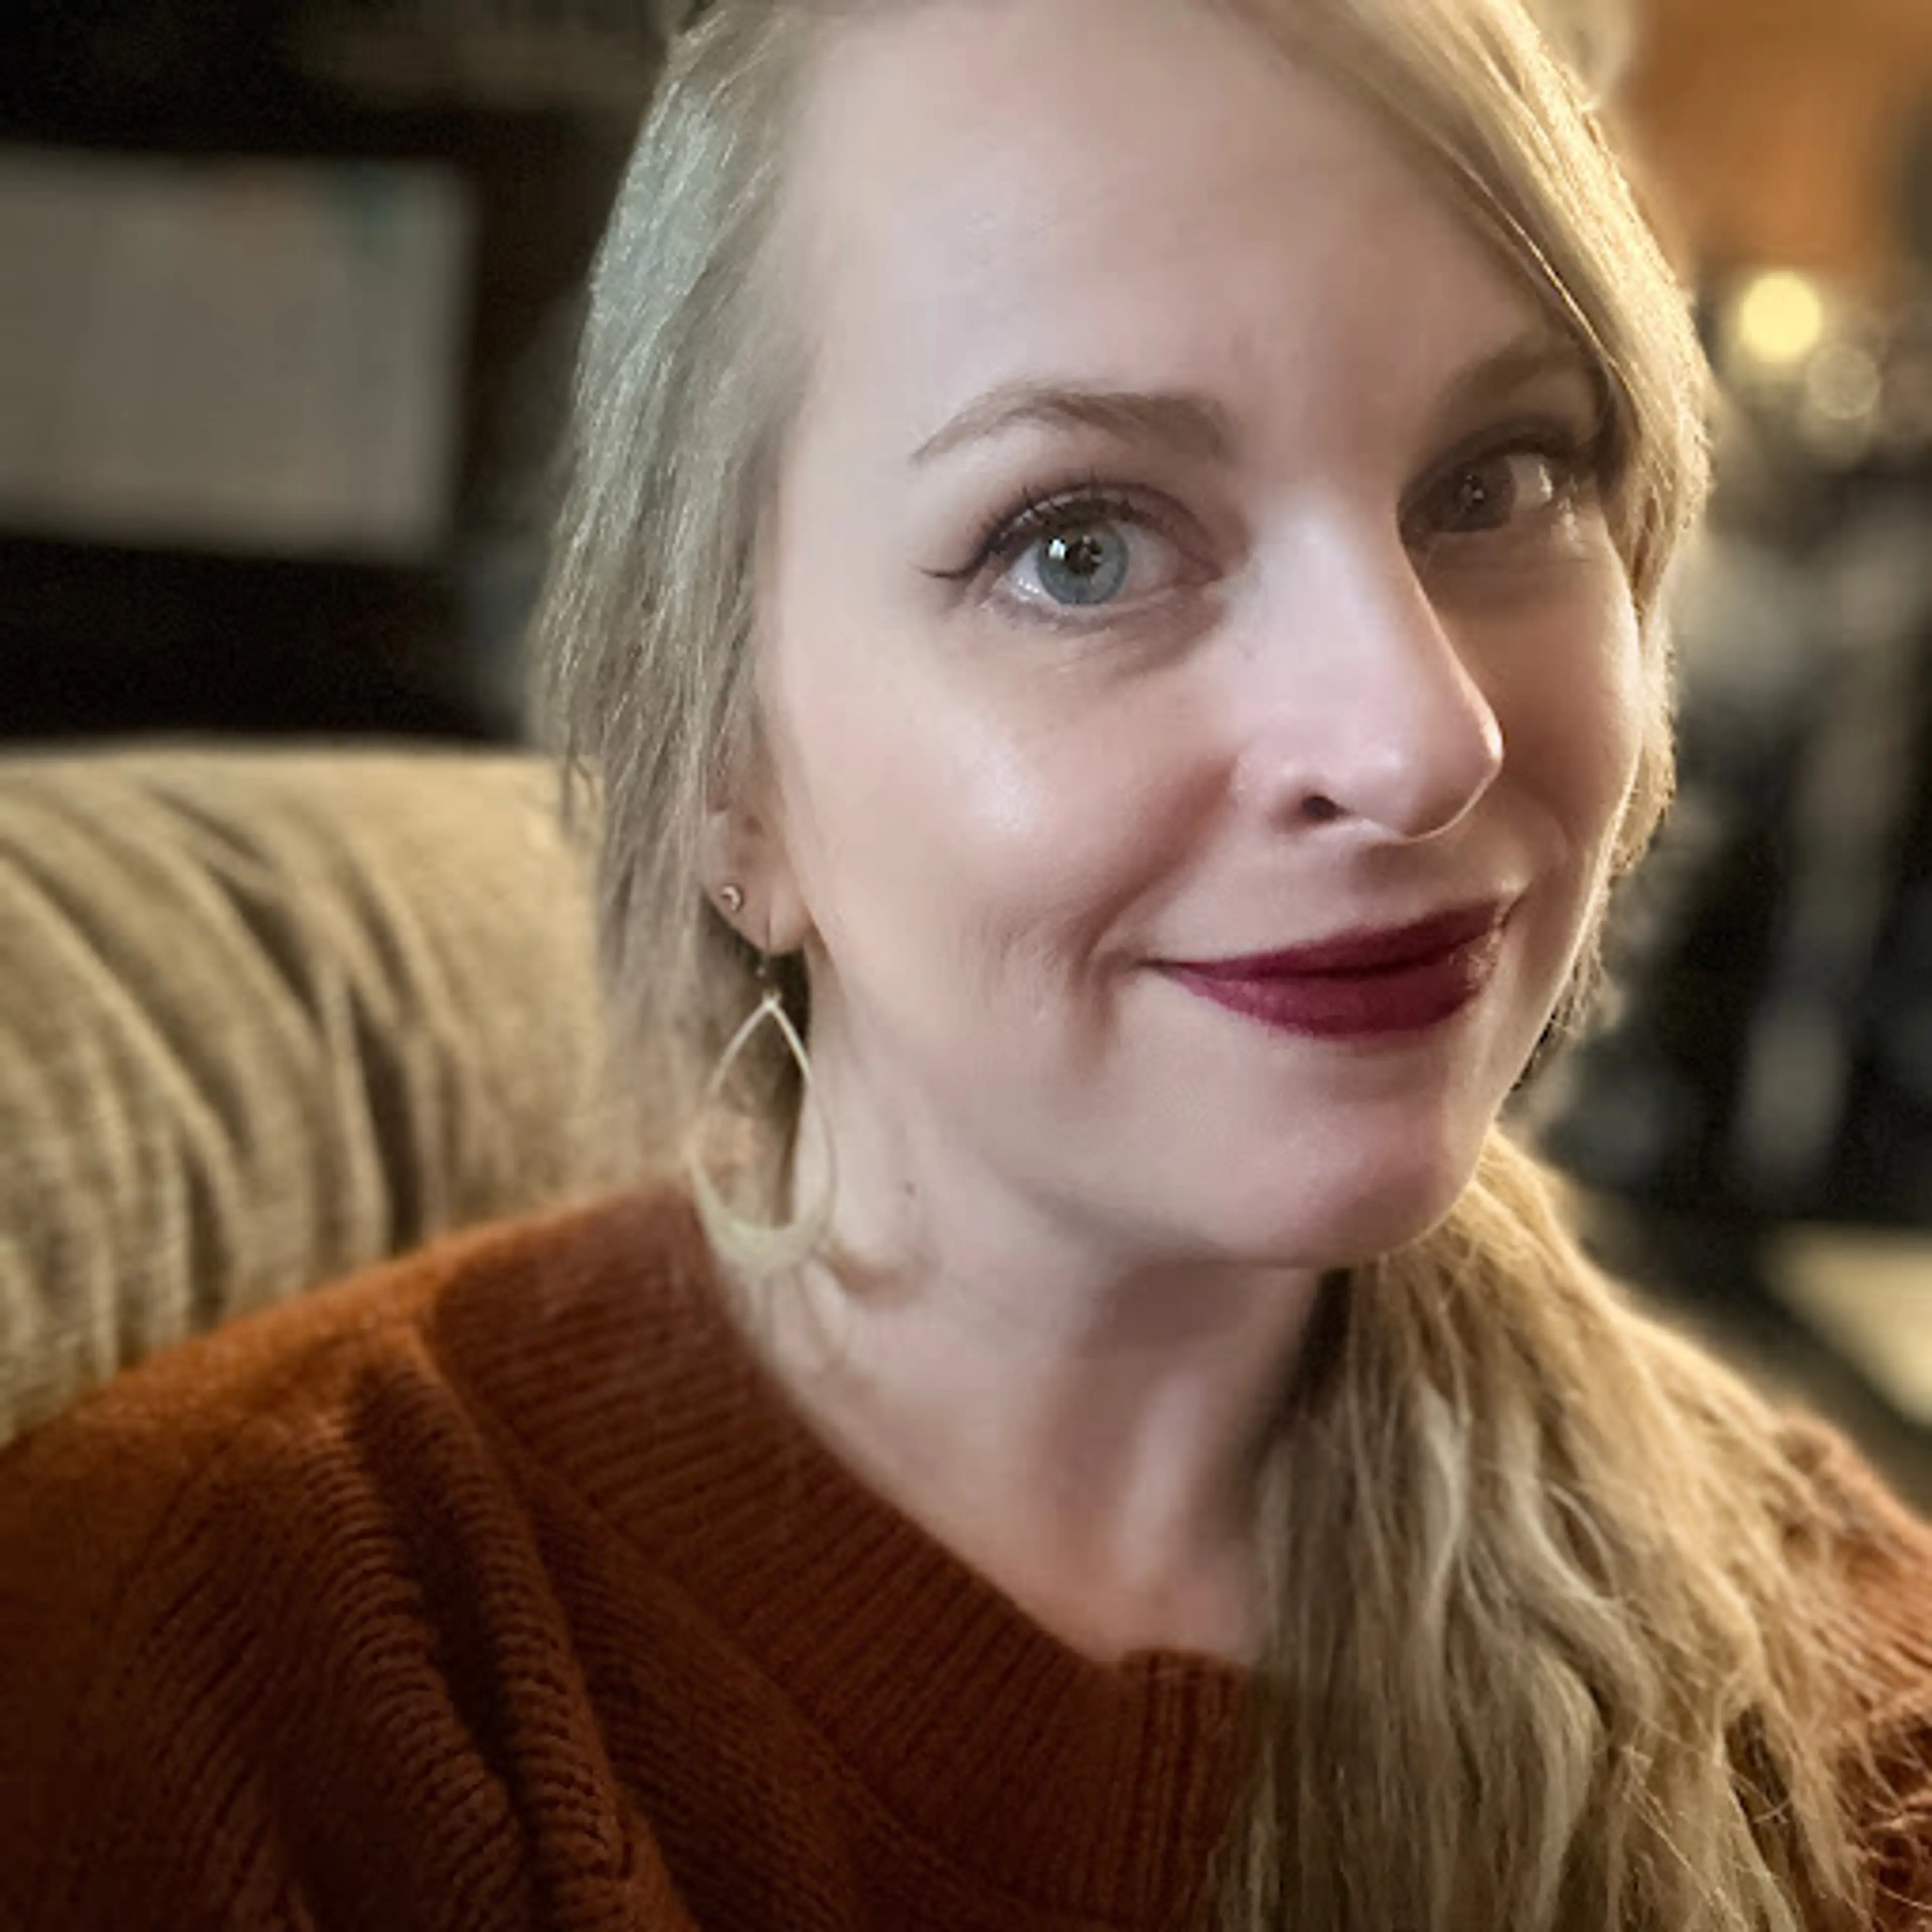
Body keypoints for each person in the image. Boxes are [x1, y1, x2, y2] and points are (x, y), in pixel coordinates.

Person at [3, 1, 1930, 1927]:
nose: (1424, 742)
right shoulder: (243, 1685)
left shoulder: (1852, 1710)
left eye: (1501, 479)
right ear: (728, 777)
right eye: (1079, 546)